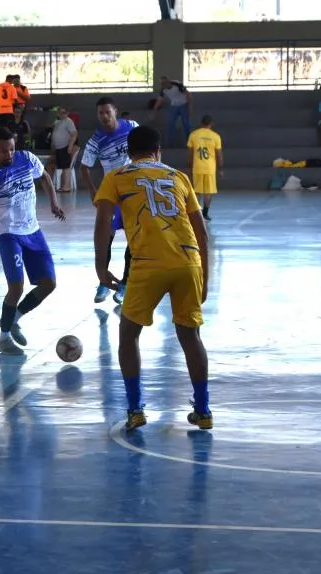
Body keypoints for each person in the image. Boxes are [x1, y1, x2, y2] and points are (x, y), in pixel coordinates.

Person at [93, 125, 211, 432]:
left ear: (128, 153)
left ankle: (135, 409)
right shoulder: (178, 177)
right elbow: (202, 232)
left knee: (129, 335)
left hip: (148, 264)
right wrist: (206, 276)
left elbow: (104, 221)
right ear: (158, 151)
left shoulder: (117, 177)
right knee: (190, 337)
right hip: (189, 261)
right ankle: (203, 410)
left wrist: (100, 265)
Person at [0, 127, 65, 355]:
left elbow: (44, 177)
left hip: (33, 231)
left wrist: (53, 202)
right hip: (8, 233)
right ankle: (3, 338)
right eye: (4, 151)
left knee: (49, 284)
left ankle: (12, 318)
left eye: (12, 149)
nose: (10, 154)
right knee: (16, 287)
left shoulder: (26, 159)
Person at [80, 96, 139, 304]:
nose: (104, 116)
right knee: (107, 238)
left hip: (133, 190)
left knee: (134, 238)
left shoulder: (131, 127)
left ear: (115, 111)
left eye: (107, 112)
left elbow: (146, 148)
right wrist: (92, 190)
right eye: (100, 113)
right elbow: (84, 167)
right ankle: (104, 281)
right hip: (112, 194)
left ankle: (125, 283)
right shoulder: (96, 140)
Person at [187, 115, 223, 221]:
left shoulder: (193, 135)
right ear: (211, 123)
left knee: (197, 192)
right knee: (208, 192)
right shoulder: (215, 136)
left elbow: (190, 153)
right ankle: (205, 214)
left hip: (197, 167)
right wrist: (221, 169)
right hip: (210, 168)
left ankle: (197, 214)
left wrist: (189, 166)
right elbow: (219, 155)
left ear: (201, 123)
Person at [149, 76, 192, 148]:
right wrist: (153, 112)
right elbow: (159, 101)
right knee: (170, 124)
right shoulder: (163, 90)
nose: (163, 85)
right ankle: (169, 144)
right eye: (162, 84)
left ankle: (190, 143)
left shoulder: (177, 84)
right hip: (174, 105)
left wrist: (189, 107)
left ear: (168, 81)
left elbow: (188, 94)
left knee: (186, 124)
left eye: (165, 83)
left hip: (183, 104)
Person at [46, 107, 78, 192]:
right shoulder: (58, 122)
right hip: (58, 149)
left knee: (66, 167)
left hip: (65, 147)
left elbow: (74, 134)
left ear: (67, 113)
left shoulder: (69, 121)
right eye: (60, 112)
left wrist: (70, 146)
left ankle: (66, 186)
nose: (62, 114)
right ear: (58, 113)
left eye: (64, 112)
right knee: (51, 164)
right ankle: (51, 185)